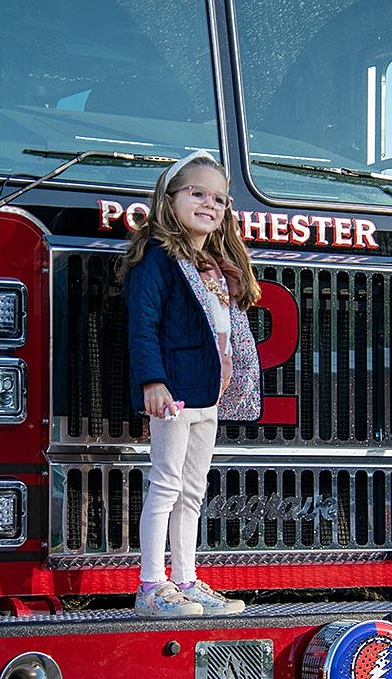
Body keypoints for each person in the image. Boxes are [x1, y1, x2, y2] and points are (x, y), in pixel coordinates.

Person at [119, 150, 262, 617]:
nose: (209, 204)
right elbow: (142, 324)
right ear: (169, 198)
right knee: (165, 483)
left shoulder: (215, 264)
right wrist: (152, 381)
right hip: (174, 391)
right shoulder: (156, 258)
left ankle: (186, 579)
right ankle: (150, 585)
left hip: (208, 392)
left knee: (193, 488)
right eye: (197, 193)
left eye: (219, 199)